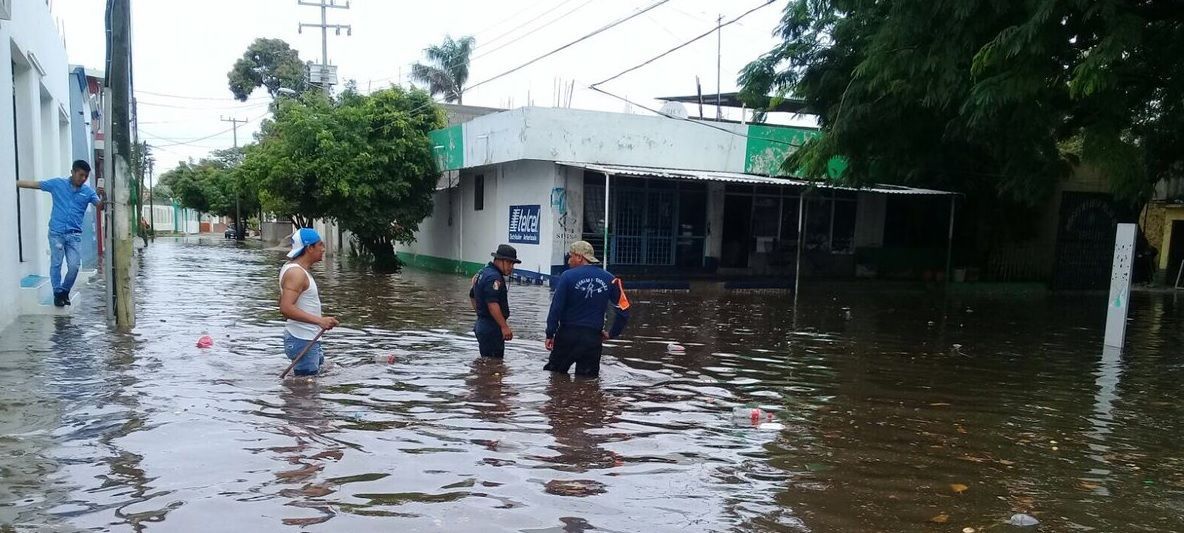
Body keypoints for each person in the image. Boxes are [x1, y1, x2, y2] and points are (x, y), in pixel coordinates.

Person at [16, 160, 105, 307]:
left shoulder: (88, 192)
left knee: (74, 266)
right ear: (73, 172)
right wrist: (13, 182)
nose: (83, 179)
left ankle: (64, 291)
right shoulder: (57, 184)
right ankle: (57, 293)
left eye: (86, 176)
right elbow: (36, 184)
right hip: (56, 233)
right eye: (81, 175)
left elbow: (99, 206)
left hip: (74, 236)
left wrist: (104, 196)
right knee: (56, 264)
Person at [544, 241, 631, 377]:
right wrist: (612, 333)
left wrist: (550, 334)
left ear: (579, 257)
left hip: (567, 336)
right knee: (588, 384)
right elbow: (624, 311)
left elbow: (556, 308)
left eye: (571, 256)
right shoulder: (611, 279)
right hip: (592, 339)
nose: (569, 260)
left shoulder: (567, 276)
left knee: (554, 379)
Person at [279, 228, 339, 376]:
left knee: (308, 386)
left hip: (307, 338)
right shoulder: (296, 273)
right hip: (302, 340)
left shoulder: (296, 269)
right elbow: (285, 308)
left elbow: (281, 302)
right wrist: (319, 321)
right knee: (305, 394)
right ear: (309, 248)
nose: (323, 249)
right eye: (320, 245)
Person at [470, 244, 519, 358]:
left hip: (483, 325)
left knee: (487, 363)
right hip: (491, 328)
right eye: (508, 262)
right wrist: (504, 326)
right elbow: (492, 305)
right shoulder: (494, 278)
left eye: (513, 263)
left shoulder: (482, 272)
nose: (511, 267)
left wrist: (481, 314)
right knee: (494, 367)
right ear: (498, 260)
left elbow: (472, 295)